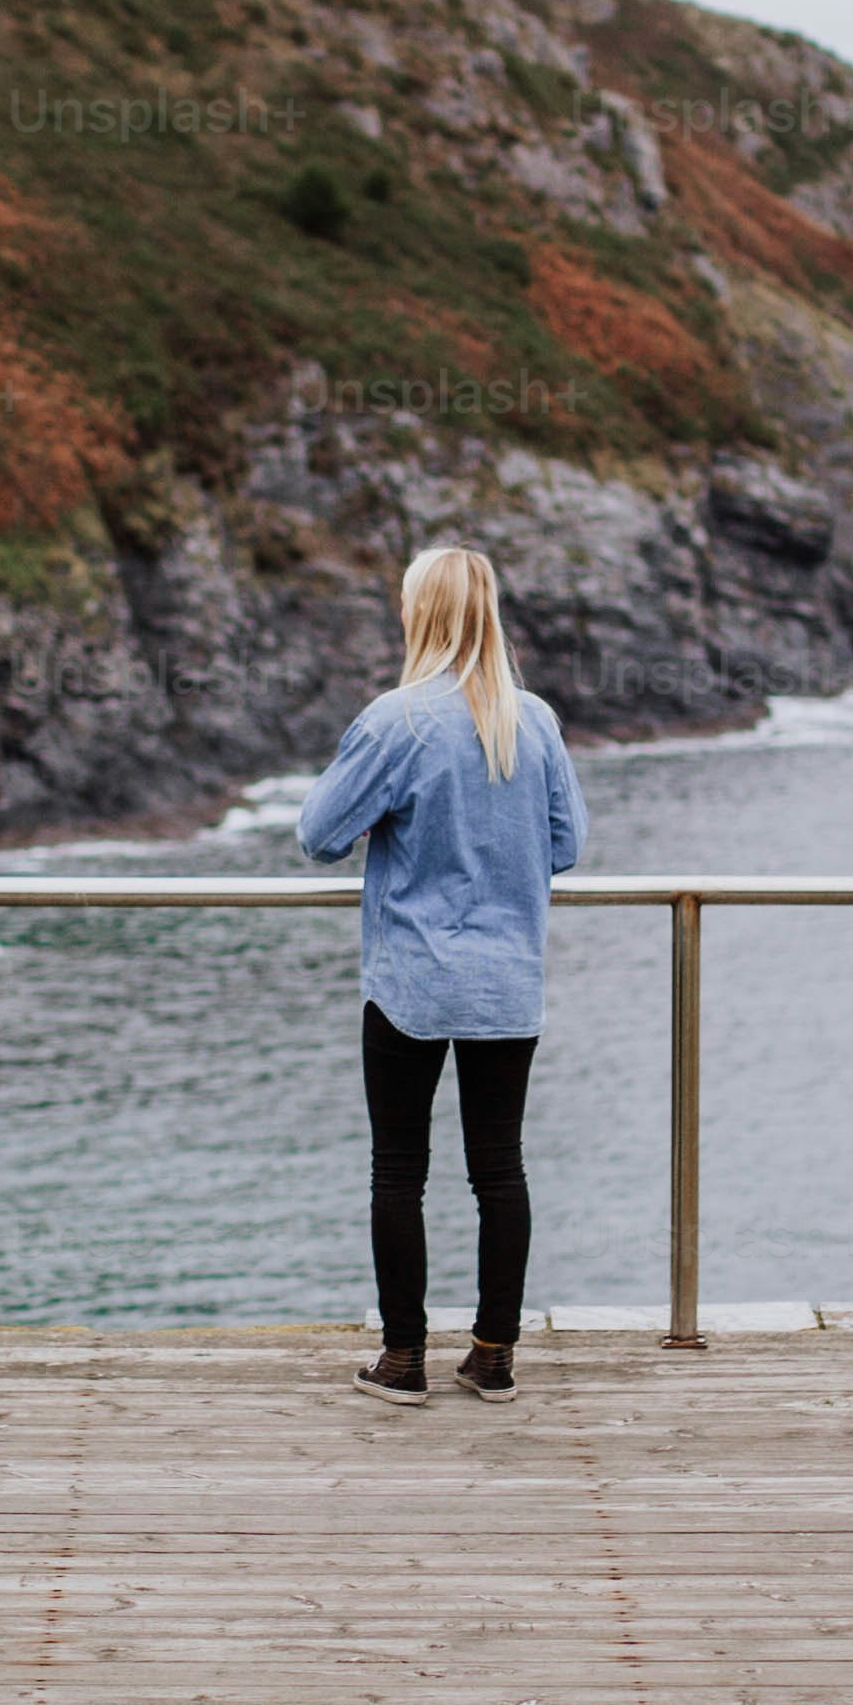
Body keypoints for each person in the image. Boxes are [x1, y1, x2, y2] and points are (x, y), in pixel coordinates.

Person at [295, 546, 588, 1403]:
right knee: (500, 1169)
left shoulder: (395, 721)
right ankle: (494, 1353)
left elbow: (318, 833)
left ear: (419, 613)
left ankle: (403, 1359)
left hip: (412, 980)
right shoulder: (533, 719)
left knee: (399, 1170)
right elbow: (566, 844)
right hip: (507, 979)